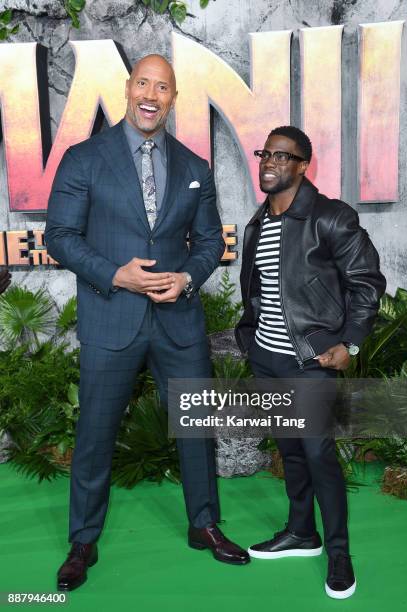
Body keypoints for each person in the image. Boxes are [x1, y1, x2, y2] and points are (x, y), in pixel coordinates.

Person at [45, 54, 249, 592]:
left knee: (198, 430)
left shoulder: (194, 168)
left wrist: (186, 278)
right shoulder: (84, 158)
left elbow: (208, 242)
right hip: (111, 318)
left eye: (164, 86)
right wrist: (116, 275)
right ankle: (83, 539)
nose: (151, 94)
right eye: (144, 83)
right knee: (95, 433)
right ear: (128, 88)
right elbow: (60, 237)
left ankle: (204, 525)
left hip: (178, 321)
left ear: (174, 98)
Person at [235, 126, 386, 600]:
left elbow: (367, 283)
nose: (271, 162)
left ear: (303, 165)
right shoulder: (257, 224)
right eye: (266, 153)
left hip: (312, 360)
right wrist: (251, 341)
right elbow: (257, 291)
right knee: (291, 451)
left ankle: (338, 551)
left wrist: (352, 343)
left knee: (319, 453)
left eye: (284, 156)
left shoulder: (332, 217)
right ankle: (302, 532)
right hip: (269, 359)